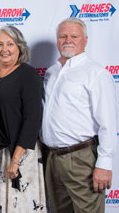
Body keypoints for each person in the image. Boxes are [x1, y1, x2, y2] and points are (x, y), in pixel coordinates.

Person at [42, 17, 117, 213]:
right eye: (62, 36)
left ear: (85, 40)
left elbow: (108, 123)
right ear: (57, 40)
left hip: (81, 158)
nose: (68, 40)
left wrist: (104, 164)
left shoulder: (96, 74)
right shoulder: (51, 73)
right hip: (52, 157)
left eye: (74, 36)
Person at [0, 26, 47, 212]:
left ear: (19, 47)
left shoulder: (28, 75)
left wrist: (16, 160)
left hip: (20, 153)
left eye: (10, 44)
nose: (4, 49)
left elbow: (32, 118)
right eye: (0, 44)